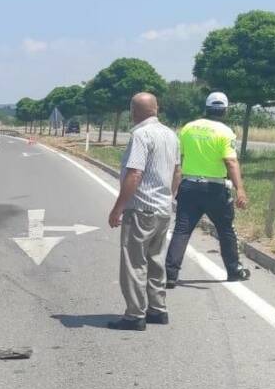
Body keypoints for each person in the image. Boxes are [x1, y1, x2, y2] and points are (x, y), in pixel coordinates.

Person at [107, 92, 181, 331]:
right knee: (156, 261)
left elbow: (135, 173)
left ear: (133, 111)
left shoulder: (140, 135)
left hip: (140, 208)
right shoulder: (171, 135)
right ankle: (158, 310)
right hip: (163, 208)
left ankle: (135, 314)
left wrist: (118, 208)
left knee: (134, 262)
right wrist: (169, 197)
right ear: (156, 108)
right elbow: (177, 171)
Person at [164, 92, 250, 288]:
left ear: (206, 107)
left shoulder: (188, 128)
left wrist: (173, 189)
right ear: (225, 110)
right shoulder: (225, 132)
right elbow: (230, 161)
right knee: (225, 229)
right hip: (215, 188)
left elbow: (179, 161)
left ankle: (171, 273)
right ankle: (233, 269)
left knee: (182, 229)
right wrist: (240, 190)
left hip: (189, 186)